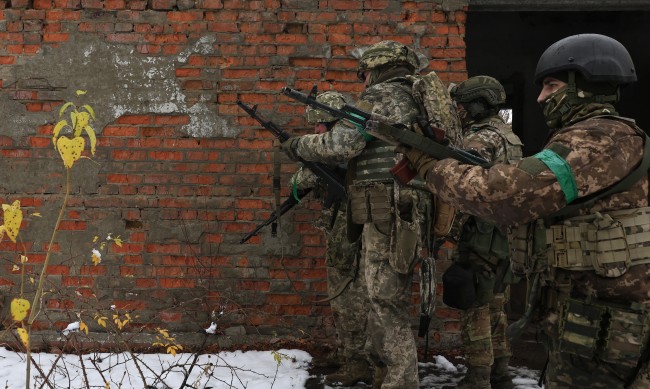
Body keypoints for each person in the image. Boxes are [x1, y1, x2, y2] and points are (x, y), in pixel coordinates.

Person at [393, 33, 650, 388]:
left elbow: (503, 196)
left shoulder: (596, 140)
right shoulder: (595, 137)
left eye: (551, 85)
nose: (542, 97)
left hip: (606, 324)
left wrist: (428, 164)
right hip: (590, 314)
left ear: (585, 85)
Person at [282, 40, 434, 388]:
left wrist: (297, 145)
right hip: (404, 207)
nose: (363, 82)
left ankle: (400, 382)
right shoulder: (416, 97)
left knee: (383, 298)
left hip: (388, 208)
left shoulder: (383, 97)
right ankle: (383, 375)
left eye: (364, 74)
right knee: (384, 295)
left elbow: (342, 145)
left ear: (377, 69)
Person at [439, 76, 523, 389]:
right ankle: (500, 372)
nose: (458, 110)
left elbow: (464, 183)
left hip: (481, 233)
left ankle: (478, 377)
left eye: (462, 104)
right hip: (504, 234)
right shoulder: (507, 134)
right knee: (497, 305)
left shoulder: (481, 137)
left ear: (477, 104)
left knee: (474, 303)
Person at [288, 91, 373, 386]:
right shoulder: (345, 149)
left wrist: (311, 169)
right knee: (345, 296)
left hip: (351, 234)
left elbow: (301, 180)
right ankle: (348, 353)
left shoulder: (347, 150)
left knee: (349, 297)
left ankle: (357, 363)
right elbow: (297, 182)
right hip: (346, 231)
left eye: (319, 126)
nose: (316, 132)